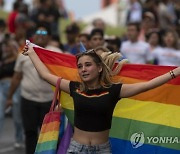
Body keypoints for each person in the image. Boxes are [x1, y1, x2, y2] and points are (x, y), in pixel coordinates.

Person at [22, 43, 180, 154]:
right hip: (76, 149)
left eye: (88, 65)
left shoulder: (114, 90)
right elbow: (45, 75)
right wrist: (32, 53)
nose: (83, 69)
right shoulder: (74, 88)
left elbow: (149, 85)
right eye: (80, 66)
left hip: (102, 150)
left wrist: (176, 72)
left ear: (99, 68)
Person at [6, 25, 54, 154]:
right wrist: (9, 97)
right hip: (28, 99)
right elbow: (16, 77)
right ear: (33, 36)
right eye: (38, 32)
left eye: (44, 32)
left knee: (48, 135)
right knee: (30, 132)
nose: (41, 34)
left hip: (49, 100)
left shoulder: (55, 53)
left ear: (49, 37)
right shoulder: (23, 54)